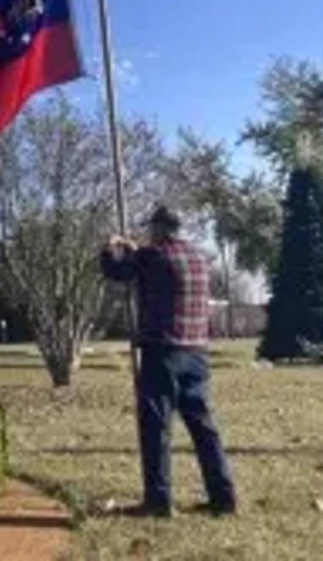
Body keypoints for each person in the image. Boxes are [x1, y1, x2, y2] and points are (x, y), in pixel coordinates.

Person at [101, 205, 237, 518]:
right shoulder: (199, 257)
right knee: (203, 427)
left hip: (163, 351)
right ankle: (223, 497)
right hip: (197, 352)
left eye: (152, 228)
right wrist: (137, 250)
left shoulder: (152, 256)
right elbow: (160, 271)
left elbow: (116, 271)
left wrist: (111, 245)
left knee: (156, 427)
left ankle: (158, 501)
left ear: (160, 229)